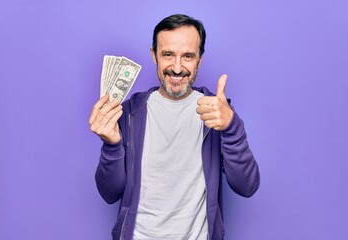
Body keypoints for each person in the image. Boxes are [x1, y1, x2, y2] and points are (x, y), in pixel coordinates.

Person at [89, 14, 260, 240]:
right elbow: (109, 193)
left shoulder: (216, 112)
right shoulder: (129, 112)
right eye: (168, 54)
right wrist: (111, 145)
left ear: (200, 59)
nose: (177, 68)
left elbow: (246, 186)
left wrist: (232, 128)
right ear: (154, 55)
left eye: (188, 56)